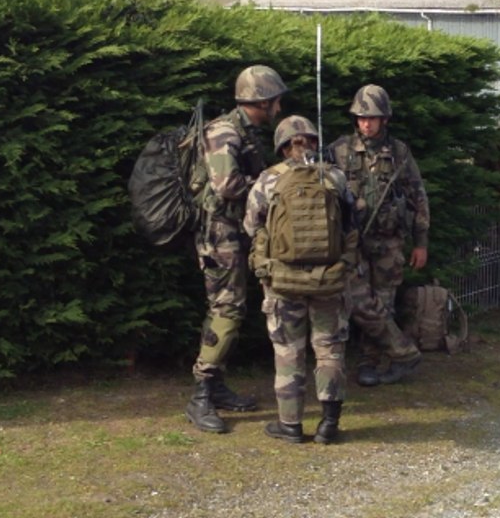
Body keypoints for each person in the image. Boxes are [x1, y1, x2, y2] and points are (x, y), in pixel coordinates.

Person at [184, 64, 287, 434]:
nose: (278, 109)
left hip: (234, 233)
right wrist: (270, 183)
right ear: (260, 101)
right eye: (274, 102)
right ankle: (201, 396)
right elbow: (227, 185)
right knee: (226, 310)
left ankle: (216, 386)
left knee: (233, 309)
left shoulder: (245, 131)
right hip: (220, 235)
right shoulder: (225, 132)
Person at [244, 116, 352, 444]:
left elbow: (251, 225)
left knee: (288, 351)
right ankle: (329, 424)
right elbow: (352, 221)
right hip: (328, 279)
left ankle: (290, 425)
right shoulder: (334, 177)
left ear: (282, 146)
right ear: (314, 142)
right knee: (329, 349)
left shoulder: (268, 180)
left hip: (282, 279)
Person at [326, 84, 429, 387]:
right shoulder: (339, 150)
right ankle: (394, 355)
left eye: (371, 117)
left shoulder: (398, 152)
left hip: (388, 243)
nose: (366, 124)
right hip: (353, 242)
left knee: (384, 303)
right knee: (358, 302)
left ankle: (378, 362)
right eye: (360, 118)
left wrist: (421, 242)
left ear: (385, 119)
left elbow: (418, 197)